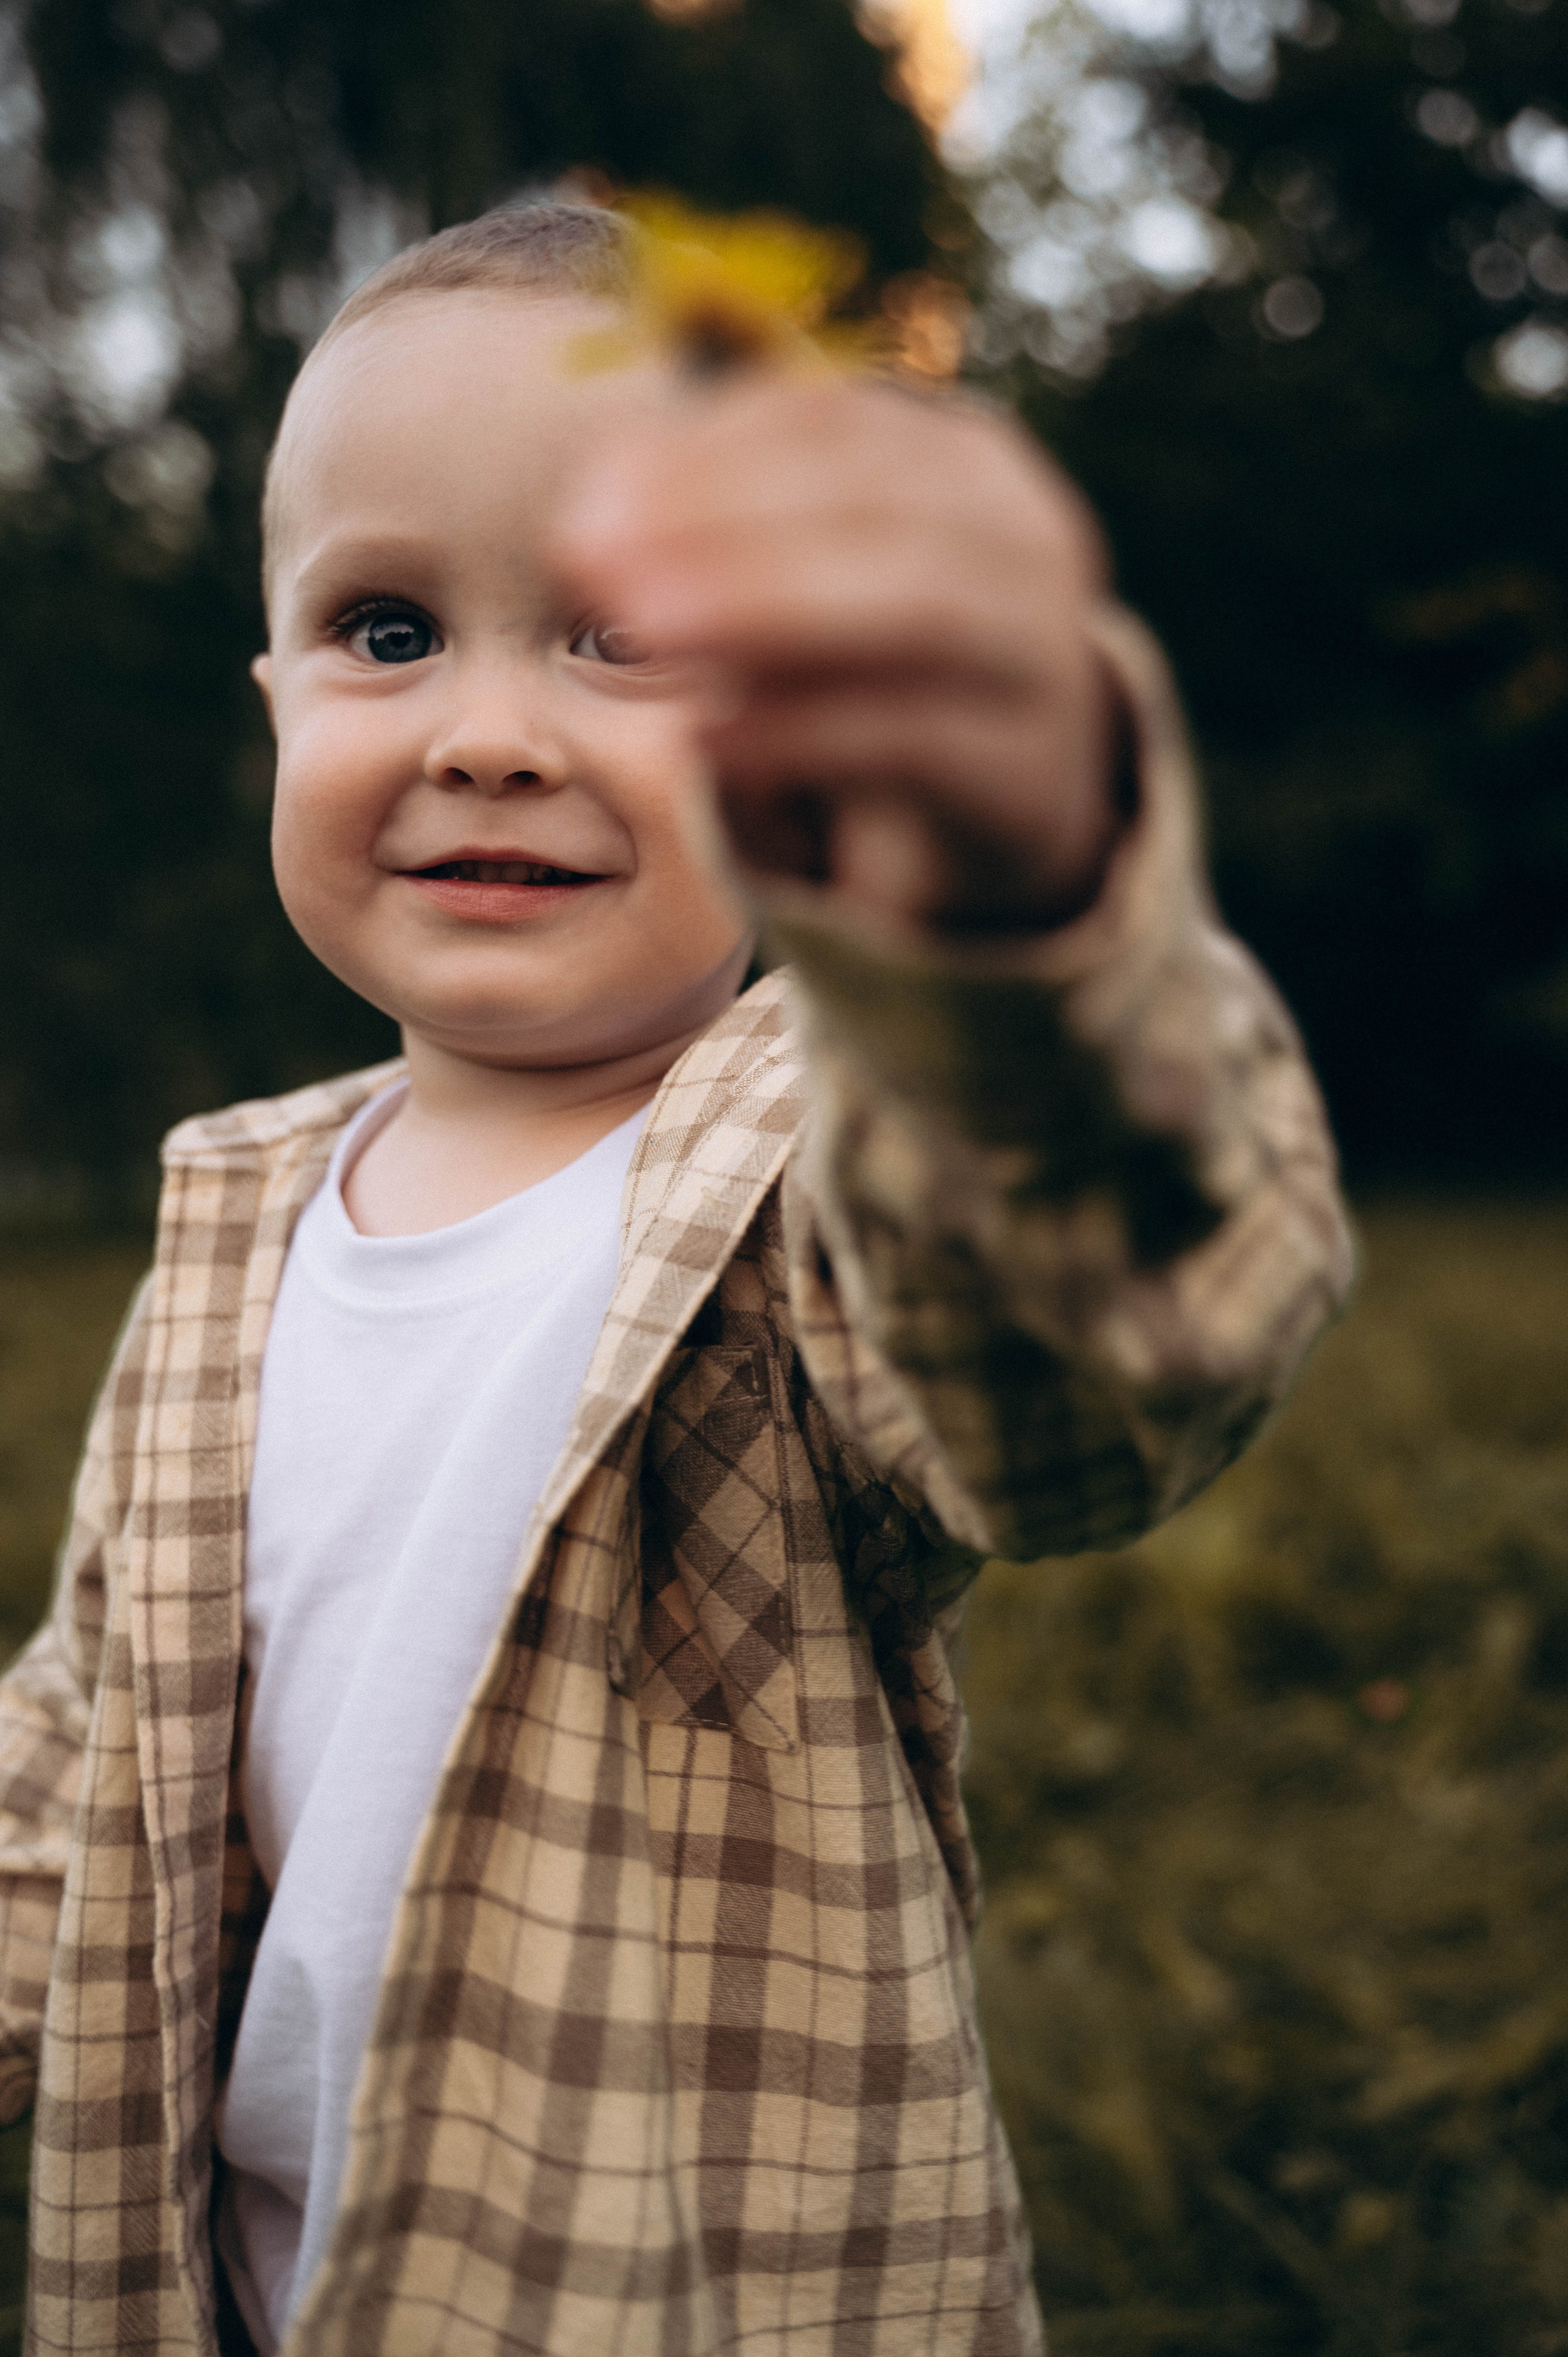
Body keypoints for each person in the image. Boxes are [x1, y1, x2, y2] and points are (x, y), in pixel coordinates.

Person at [0, 201, 1352, 2357]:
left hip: (681, 2292)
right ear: (271, 688)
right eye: (383, 630)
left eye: (625, 635)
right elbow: (86, 1750)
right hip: (247, 2284)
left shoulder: (812, 1165)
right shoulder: (236, 1218)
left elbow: (1082, 1376)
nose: (488, 732)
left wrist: (1004, 947)